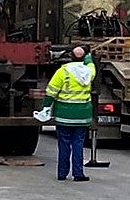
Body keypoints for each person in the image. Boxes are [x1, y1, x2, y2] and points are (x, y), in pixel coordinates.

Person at [40, 45, 96, 181]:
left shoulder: (63, 72)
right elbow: (90, 63)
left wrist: (45, 108)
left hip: (64, 114)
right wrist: (88, 54)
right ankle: (78, 174)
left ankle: (62, 173)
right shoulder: (89, 71)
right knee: (78, 143)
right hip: (82, 115)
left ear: (70, 57)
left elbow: (51, 92)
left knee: (63, 144)